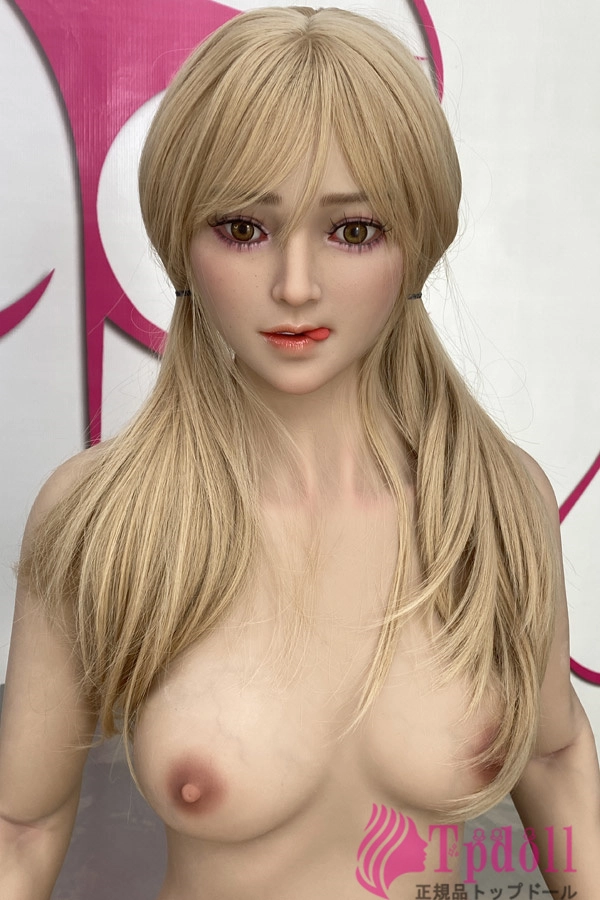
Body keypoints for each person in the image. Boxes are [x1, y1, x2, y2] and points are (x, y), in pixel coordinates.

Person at [0, 6, 598, 899]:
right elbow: (21, 827)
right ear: (180, 237)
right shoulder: (102, 519)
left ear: (416, 241)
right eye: (244, 228)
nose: (295, 286)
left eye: (353, 231)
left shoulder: (495, 504)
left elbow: (555, 756)